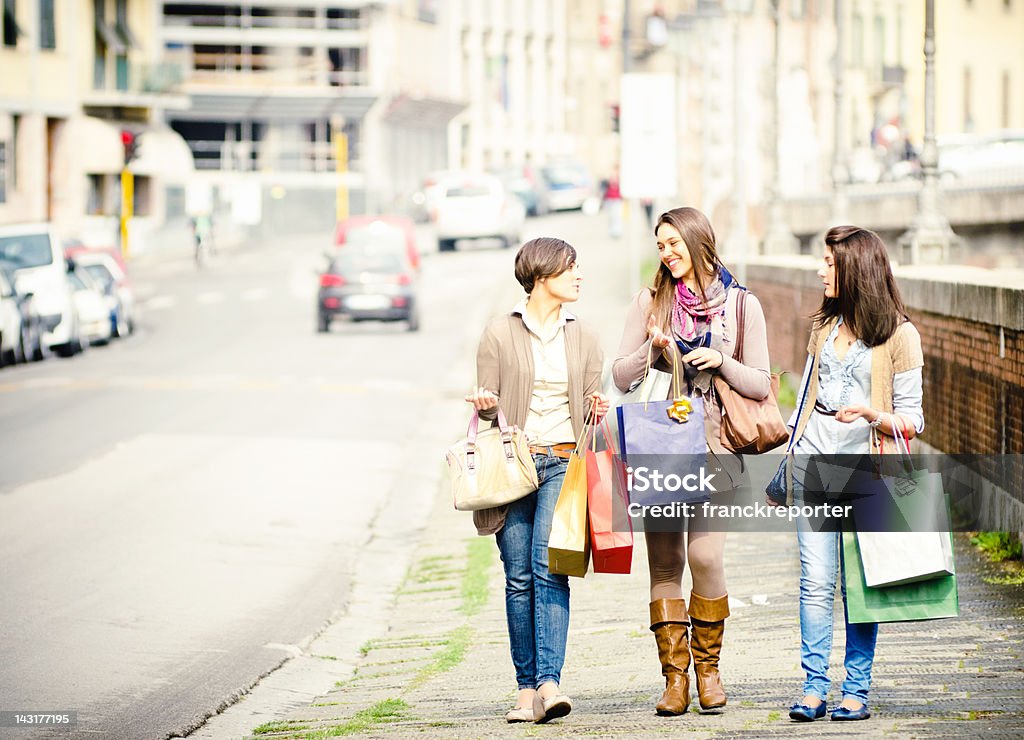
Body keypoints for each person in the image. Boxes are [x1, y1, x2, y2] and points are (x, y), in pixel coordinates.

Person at [612, 207, 772, 715]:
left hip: (718, 447)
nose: (667, 253)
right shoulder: (649, 301)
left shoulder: (744, 306)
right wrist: (652, 350)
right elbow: (619, 374)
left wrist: (722, 361)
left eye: (674, 243)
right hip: (661, 443)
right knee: (665, 563)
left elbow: (764, 384)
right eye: (660, 245)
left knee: (705, 558)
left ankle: (709, 669)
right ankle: (675, 680)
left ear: (700, 242)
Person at [779, 225, 924, 723]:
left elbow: (913, 418)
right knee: (815, 582)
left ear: (855, 269)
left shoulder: (901, 336)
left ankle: (856, 689)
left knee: (860, 585)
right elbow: (803, 398)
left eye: (828, 262)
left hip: (867, 471)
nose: (820, 270)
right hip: (816, 467)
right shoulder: (823, 327)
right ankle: (814, 687)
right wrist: (790, 449)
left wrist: (870, 414)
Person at [466, 237, 609, 724]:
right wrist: (488, 407)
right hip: (514, 466)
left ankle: (550, 683)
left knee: (551, 566)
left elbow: (593, 404)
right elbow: (490, 410)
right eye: (571, 268)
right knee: (518, 576)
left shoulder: (585, 335)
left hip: (563, 463)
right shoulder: (498, 334)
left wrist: (599, 409)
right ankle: (525, 690)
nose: (579, 276)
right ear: (543, 276)